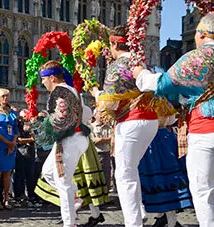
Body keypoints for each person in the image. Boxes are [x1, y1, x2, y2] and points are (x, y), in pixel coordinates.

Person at [132, 12, 214, 227]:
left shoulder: (200, 56)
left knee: (203, 190)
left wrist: (140, 74)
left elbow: (162, 85)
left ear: (202, 33)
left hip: (206, 130)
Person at [92, 25, 159, 227]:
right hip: (151, 120)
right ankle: (139, 211)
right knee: (131, 169)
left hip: (132, 121)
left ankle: (133, 223)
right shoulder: (139, 61)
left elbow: (107, 103)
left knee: (124, 174)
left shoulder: (117, 66)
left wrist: (96, 93)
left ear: (114, 43)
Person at [36, 60, 89, 227]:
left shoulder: (60, 91)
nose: (42, 83)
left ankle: (69, 223)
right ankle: (75, 197)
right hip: (74, 138)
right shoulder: (70, 90)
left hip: (70, 140)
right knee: (48, 172)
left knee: (63, 181)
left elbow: (60, 118)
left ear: (52, 78)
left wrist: (40, 127)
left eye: (43, 79)